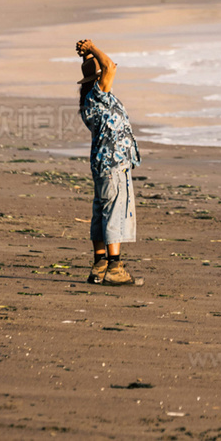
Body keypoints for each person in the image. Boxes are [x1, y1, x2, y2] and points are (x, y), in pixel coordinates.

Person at [75, 38, 141, 286]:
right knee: (114, 212)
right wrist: (92, 48)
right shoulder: (98, 96)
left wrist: (86, 57)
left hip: (103, 164)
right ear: (98, 80)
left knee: (101, 213)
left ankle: (99, 265)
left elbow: (104, 69)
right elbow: (111, 66)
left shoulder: (89, 102)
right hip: (113, 166)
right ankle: (115, 268)